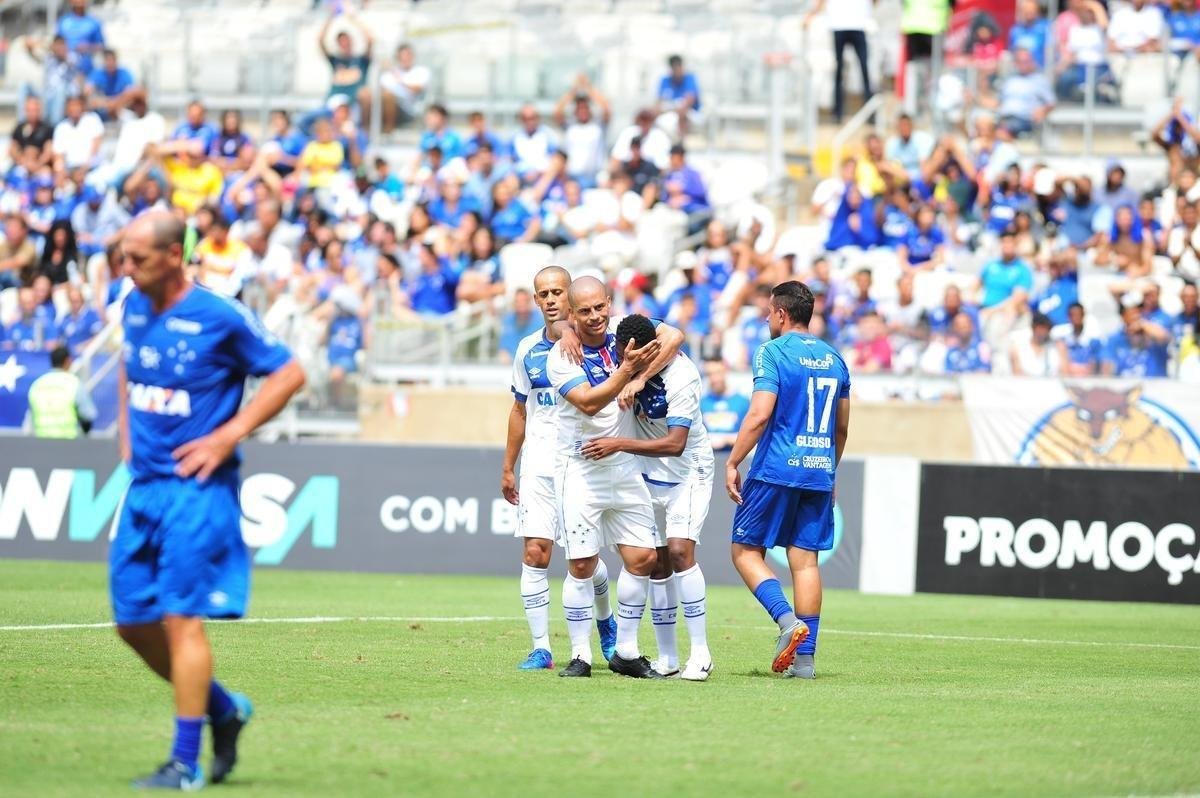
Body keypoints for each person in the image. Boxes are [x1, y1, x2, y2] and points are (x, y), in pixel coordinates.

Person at [112, 210, 305, 789]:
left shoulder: (219, 315)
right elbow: (128, 369)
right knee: (132, 623)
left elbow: (289, 373)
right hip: (143, 489)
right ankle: (224, 710)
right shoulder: (132, 304)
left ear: (174, 256)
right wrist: (125, 435)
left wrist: (226, 436)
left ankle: (184, 762)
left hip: (196, 494)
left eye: (138, 258)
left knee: (179, 622)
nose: (127, 267)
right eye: (124, 255)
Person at [544, 276, 675, 679]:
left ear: (609, 302)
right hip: (580, 467)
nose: (595, 317)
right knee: (582, 565)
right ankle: (581, 655)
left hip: (620, 461)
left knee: (644, 558)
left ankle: (626, 651)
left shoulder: (623, 329)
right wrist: (627, 371)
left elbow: (673, 334)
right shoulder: (561, 356)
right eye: (583, 311)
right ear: (571, 313)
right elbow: (587, 402)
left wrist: (637, 377)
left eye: (600, 307)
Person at [577, 314, 715, 681]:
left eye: (630, 357)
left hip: (687, 468)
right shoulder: (626, 343)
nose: (624, 362)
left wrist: (619, 442)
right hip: (646, 469)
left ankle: (700, 652)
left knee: (682, 551)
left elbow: (675, 443)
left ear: (647, 349)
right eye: (621, 355)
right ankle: (668, 656)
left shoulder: (681, 378)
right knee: (657, 562)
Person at [725, 281, 850, 680]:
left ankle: (785, 620)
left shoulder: (773, 352)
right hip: (818, 469)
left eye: (768, 312)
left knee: (745, 552)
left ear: (780, 313)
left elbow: (760, 414)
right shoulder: (835, 358)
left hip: (777, 467)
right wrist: (829, 468)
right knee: (805, 561)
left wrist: (734, 459)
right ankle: (806, 663)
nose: (765, 318)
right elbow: (842, 428)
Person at [502, 267, 618, 671]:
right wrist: (508, 466)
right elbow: (519, 410)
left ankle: (606, 620)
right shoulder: (526, 350)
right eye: (543, 293)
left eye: (557, 292)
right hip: (537, 464)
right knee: (535, 551)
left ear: (570, 297)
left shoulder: (596, 341)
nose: (550, 299)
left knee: (584, 560)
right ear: (535, 301)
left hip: (579, 461)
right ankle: (541, 648)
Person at [806, 0, 874, 124]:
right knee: (839, 72)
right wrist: (810, 15)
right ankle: (838, 113)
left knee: (864, 70)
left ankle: (869, 111)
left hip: (858, 24)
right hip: (839, 25)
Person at [26, 344, 96, 438]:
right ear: (68, 361)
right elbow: (88, 416)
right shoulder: (74, 383)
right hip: (68, 445)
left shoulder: (37, 385)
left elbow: (29, 421)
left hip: (41, 444)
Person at [360, 43, 429, 132]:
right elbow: (379, 91)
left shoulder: (421, 72)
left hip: (407, 110)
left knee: (388, 96)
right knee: (364, 94)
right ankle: (365, 130)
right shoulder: (389, 75)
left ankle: (388, 130)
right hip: (384, 108)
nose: (405, 58)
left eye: (408, 55)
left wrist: (400, 81)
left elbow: (418, 88)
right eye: (402, 56)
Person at [318, 10, 372, 106]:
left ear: (351, 41)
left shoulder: (361, 60)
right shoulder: (335, 60)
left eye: (346, 40)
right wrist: (330, 19)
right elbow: (320, 41)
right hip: (333, 102)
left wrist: (354, 20)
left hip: (353, 104)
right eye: (341, 41)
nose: (344, 44)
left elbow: (370, 40)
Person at [1102, 304, 1171, 376]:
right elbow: (1106, 367)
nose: (1135, 316)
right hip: (1124, 384)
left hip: (1154, 385)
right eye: (1131, 313)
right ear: (1123, 316)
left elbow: (1165, 337)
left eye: (1138, 312)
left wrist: (1143, 324)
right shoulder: (1115, 339)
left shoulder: (1152, 336)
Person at [700, 359, 749, 451]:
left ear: (726, 371)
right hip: (708, 457)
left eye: (718, 373)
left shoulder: (743, 402)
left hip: (735, 457)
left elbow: (751, 435)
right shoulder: (701, 403)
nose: (714, 378)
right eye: (709, 374)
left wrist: (726, 439)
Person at [656, 54, 702, 139]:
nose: (677, 71)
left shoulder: (690, 78)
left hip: (691, 114)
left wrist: (673, 107)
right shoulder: (665, 80)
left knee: (682, 112)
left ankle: (682, 143)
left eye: (679, 67)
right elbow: (659, 104)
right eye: (674, 68)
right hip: (670, 114)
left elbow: (689, 101)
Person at [86, 48, 137, 121]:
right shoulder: (97, 74)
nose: (110, 63)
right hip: (102, 110)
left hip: (121, 109)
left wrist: (113, 103)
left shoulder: (125, 73)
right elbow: (87, 92)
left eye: (112, 60)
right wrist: (107, 103)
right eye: (108, 60)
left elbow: (130, 94)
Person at [56, 0, 105, 77]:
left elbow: (101, 46)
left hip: (85, 71)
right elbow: (55, 44)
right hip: (65, 71)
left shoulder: (94, 23)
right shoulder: (63, 21)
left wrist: (88, 47)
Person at [497, 288, 542, 363]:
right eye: (517, 302)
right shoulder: (507, 320)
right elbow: (503, 349)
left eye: (524, 301)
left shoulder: (540, 321)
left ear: (530, 302)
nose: (521, 305)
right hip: (510, 365)